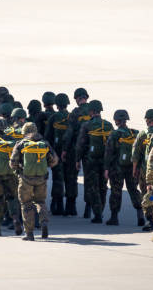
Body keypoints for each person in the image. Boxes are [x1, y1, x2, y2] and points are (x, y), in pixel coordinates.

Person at [11, 122, 58, 241]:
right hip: (42, 178)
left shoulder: (20, 144)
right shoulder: (45, 144)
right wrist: (44, 166)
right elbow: (54, 160)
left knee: (26, 204)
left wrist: (19, 170)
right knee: (40, 202)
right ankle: (44, 222)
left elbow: (13, 163)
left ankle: (29, 233)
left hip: (26, 179)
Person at [76, 100, 114, 223]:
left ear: (91, 111)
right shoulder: (108, 125)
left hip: (91, 161)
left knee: (93, 187)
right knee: (103, 186)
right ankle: (101, 211)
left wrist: (78, 160)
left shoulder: (87, 125)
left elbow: (80, 144)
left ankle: (97, 214)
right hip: (106, 161)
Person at [104, 110, 143, 226]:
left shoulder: (114, 134)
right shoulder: (135, 133)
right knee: (134, 190)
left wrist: (106, 168)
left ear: (116, 121)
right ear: (126, 120)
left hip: (117, 168)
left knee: (116, 191)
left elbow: (108, 153)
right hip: (132, 168)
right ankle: (140, 214)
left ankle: (114, 218)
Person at [61, 88, 91, 217]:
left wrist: (64, 150)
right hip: (90, 148)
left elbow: (69, 133)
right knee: (90, 179)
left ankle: (71, 207)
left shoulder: (75, 112)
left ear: (77, 98)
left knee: (71, 177)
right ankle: (89, 209)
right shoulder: (93, 109)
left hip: (75, 148)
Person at [131, 109, 153, 231]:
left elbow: (135, 155)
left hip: (146, 171)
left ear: (147, 120)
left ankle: (149, 219)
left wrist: (134, 170)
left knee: (147, 194)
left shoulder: (142, 134)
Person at [44, 93, 70, 216]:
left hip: (56, 153)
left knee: (58, 179)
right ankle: (71, 207)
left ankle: (58, 205)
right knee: (71, 179)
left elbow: (47, 137)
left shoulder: (53, 118)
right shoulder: (72, 117)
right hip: (71, 153)